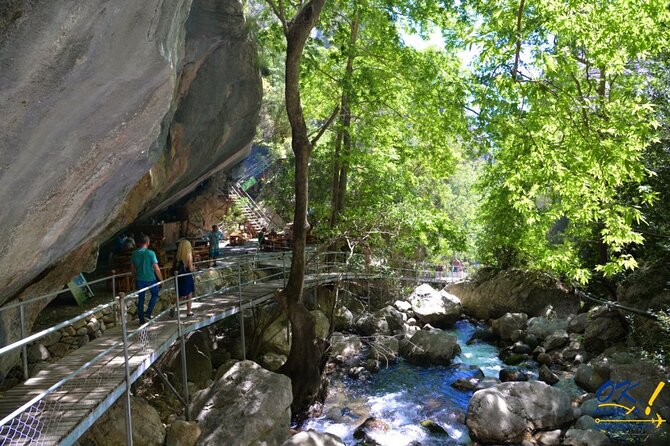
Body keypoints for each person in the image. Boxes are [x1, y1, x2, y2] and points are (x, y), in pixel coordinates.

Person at [131, 236, 163, 324]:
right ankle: (148, 313)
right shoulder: (151, 253)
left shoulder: (134, 253)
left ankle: (141, 319)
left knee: (141, 299)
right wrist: (161, 280)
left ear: (140, 243)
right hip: (150, 279)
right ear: (148, 243)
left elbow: (133, 269)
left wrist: (135, 278)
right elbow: (156, 268)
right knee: (155, 294)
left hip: (139, 279)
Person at [174, 240, 195, 317]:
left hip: (179, 276)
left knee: (181, 295)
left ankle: (173, 305)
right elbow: (190, 267)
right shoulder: (189, 255)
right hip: (187, 275)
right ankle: (189, 311)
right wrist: (193, 268)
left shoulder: (177, 256)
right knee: (189, 293)